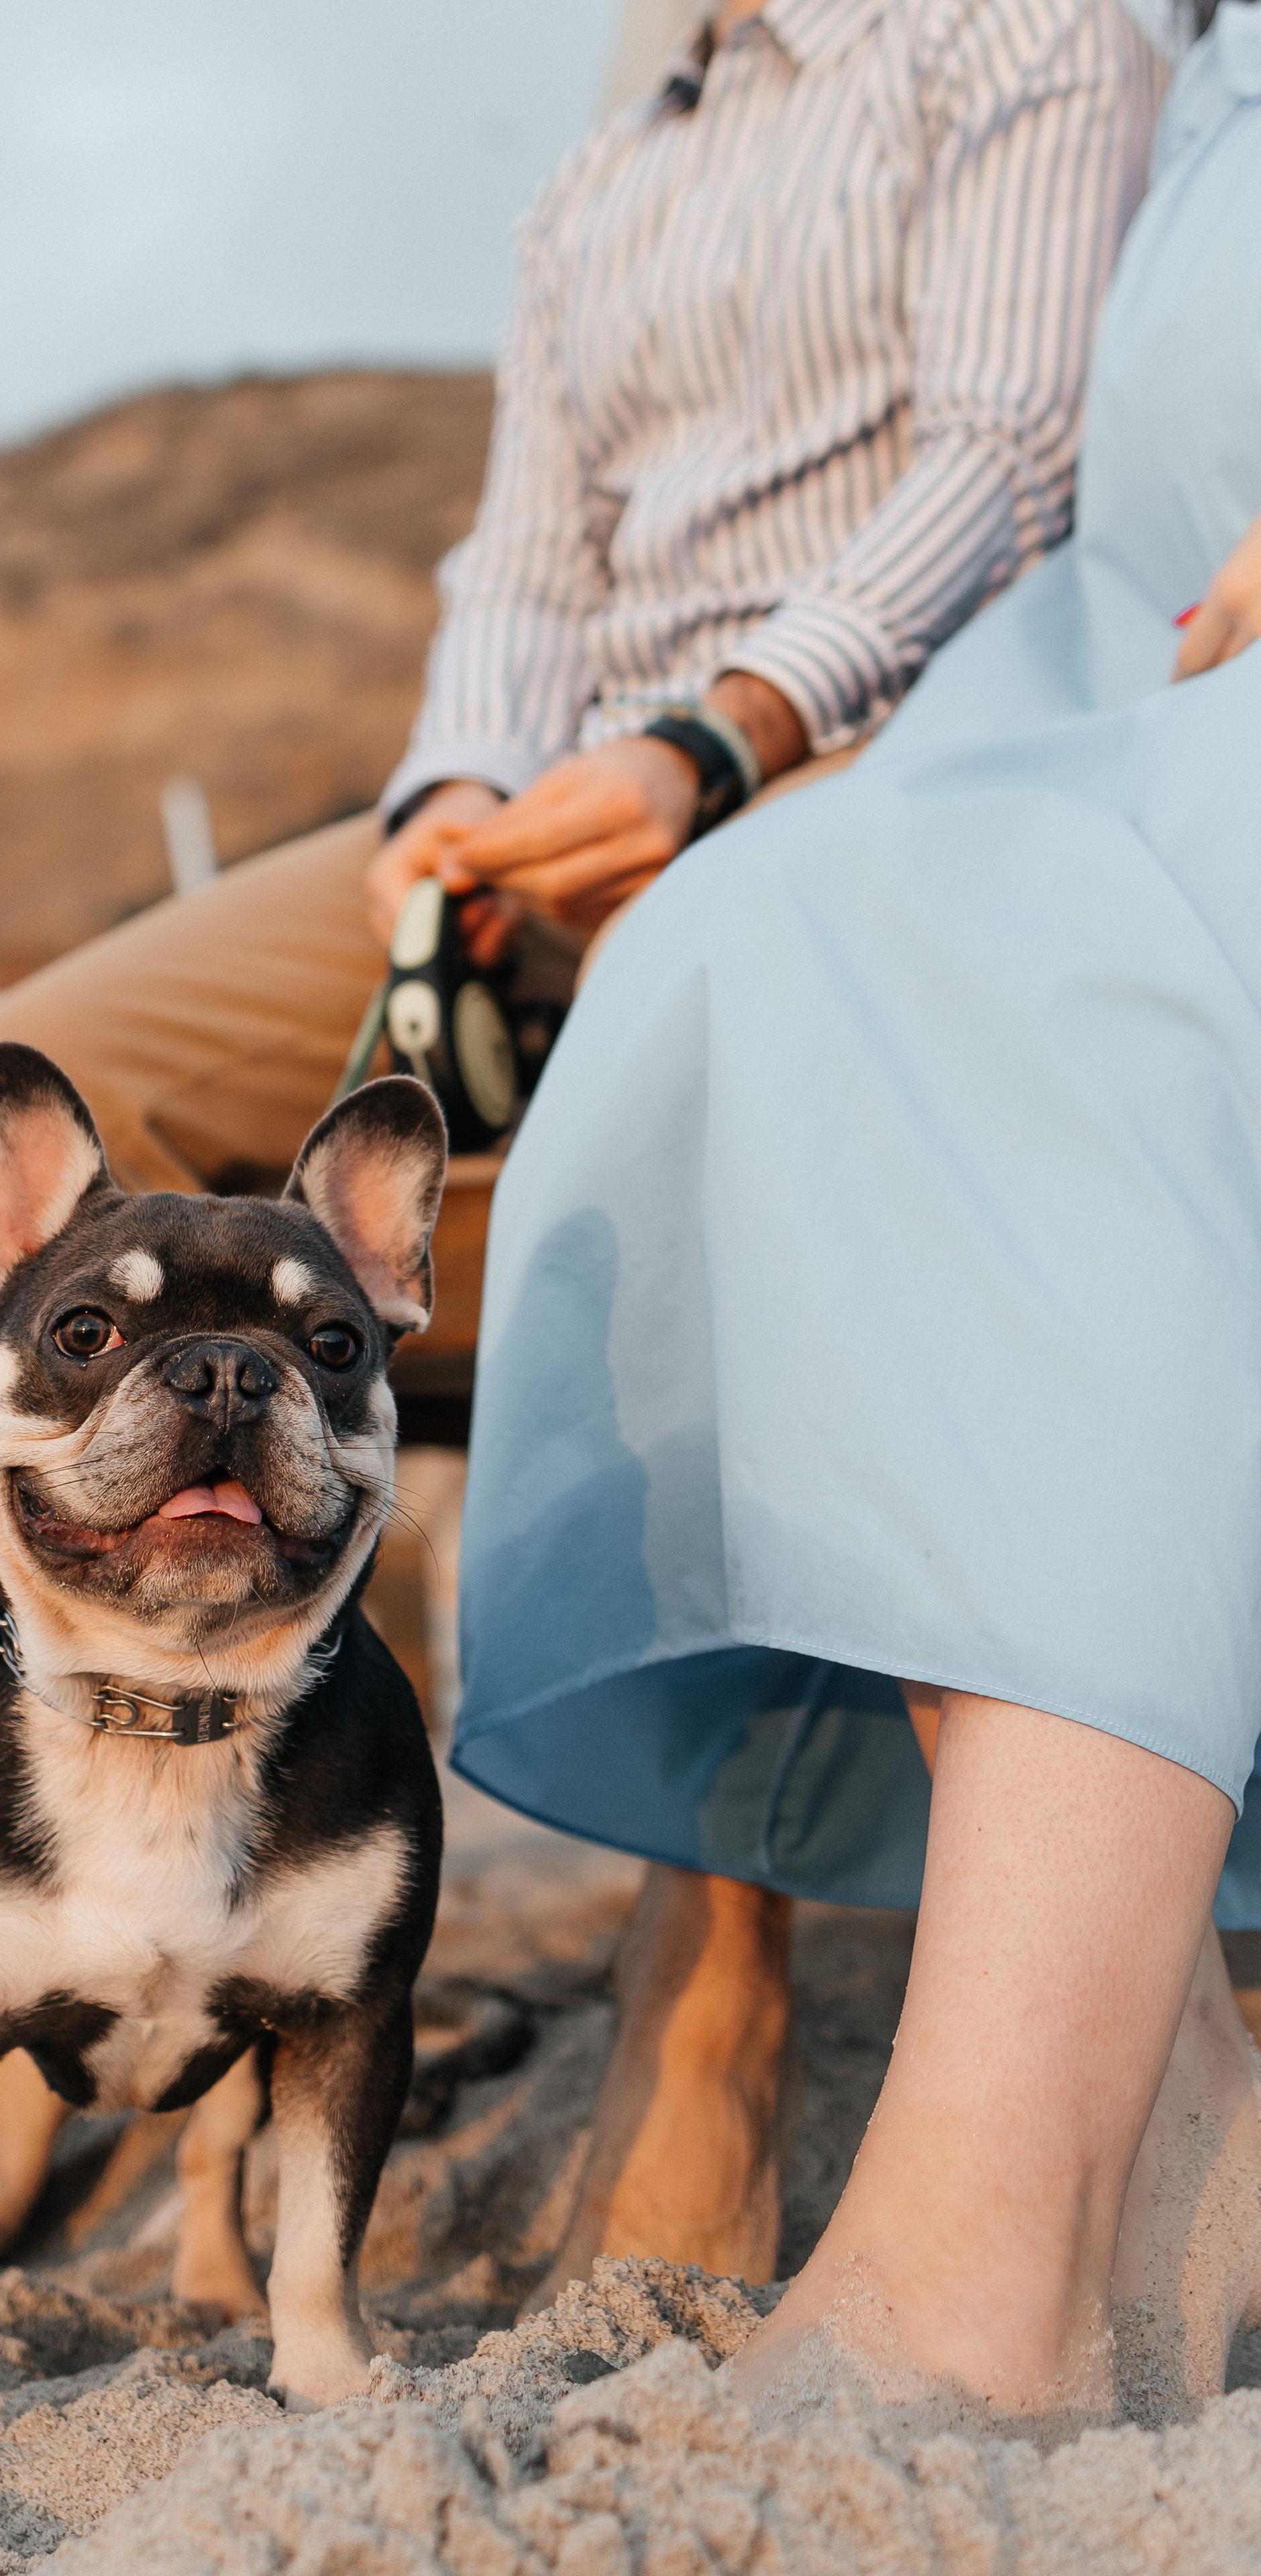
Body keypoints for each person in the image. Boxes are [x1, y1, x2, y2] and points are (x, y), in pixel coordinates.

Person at [0, 0, 1160, 2270]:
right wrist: (450, 804)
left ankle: (717, 1976)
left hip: (862, 735)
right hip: (569, 773)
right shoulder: (618, 147)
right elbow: (517, 558)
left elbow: (1014, 449)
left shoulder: (1021, 26)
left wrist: (727, 729)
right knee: (50, 1052)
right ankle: (41, 1916)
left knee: (736, 1035)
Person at [452, 0, 1261, 2425]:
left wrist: (726, 724)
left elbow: (998, 438)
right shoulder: (1179, 51)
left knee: (1024, 965)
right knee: (763, 930)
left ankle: (978, 2265)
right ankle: (1161, 2073)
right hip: (1102, 673)